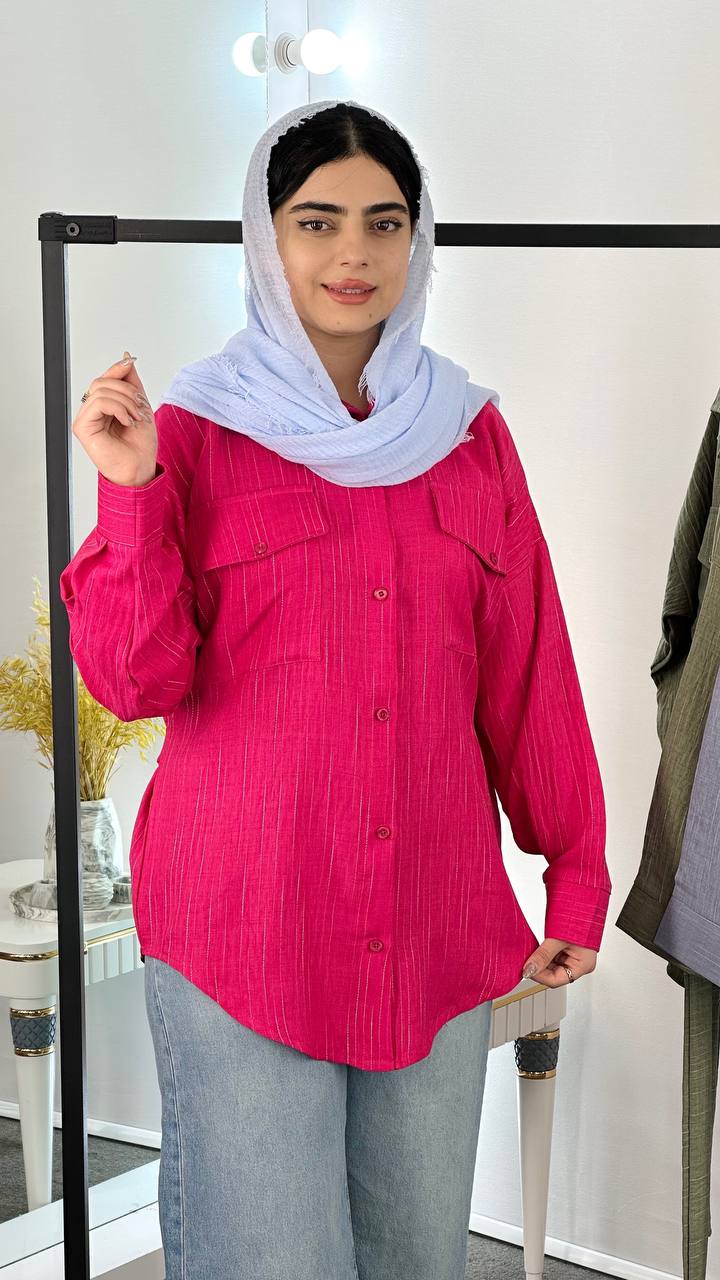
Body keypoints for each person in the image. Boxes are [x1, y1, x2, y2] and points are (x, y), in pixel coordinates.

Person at [60, 99, 612, 1280]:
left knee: (418, 1256)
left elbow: (530, 670)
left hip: (432, 918)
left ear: (418, 237)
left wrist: (574, 869)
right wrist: (133, 491)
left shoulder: (469, 435)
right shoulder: (190, 433)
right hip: (243, 924)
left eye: (384, 221)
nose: (352, 253)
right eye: (316, 221)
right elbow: (134, 678)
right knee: (270, 1258)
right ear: (266, 240)